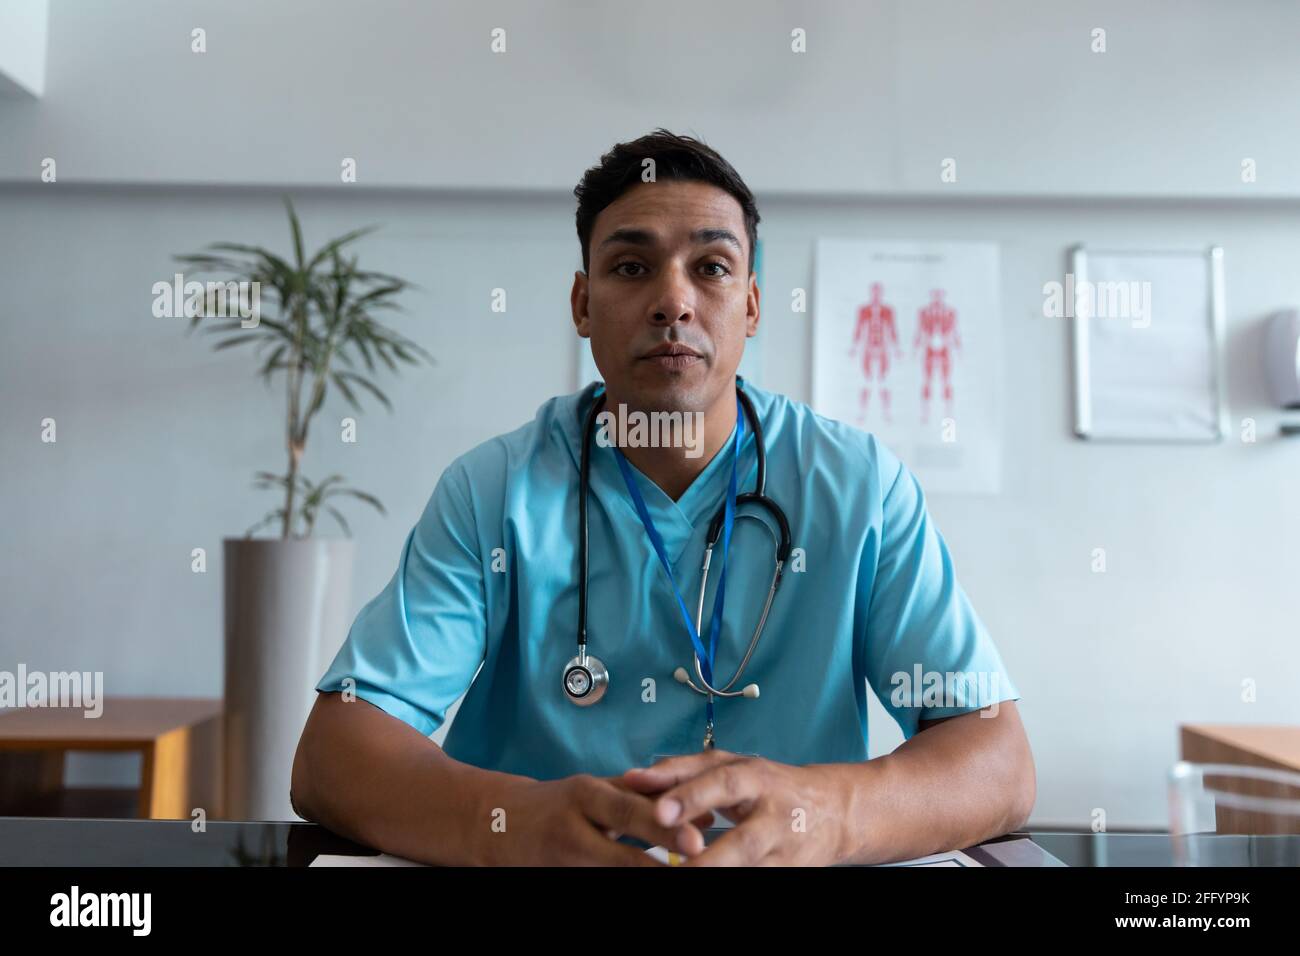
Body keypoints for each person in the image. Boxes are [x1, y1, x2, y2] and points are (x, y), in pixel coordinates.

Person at [291, 129, 1034, 866]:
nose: (672, 300)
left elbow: (997, 760)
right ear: (582, 305)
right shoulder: (495, 492)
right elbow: (336, 753)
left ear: (750, 306)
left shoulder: (858, 489)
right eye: (631, 266)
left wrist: (823, 812)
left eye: (710, 266)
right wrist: (517, 825)